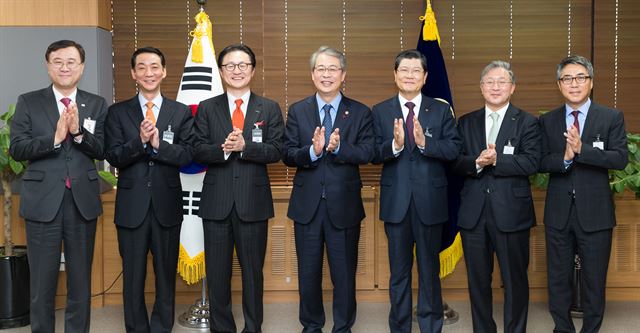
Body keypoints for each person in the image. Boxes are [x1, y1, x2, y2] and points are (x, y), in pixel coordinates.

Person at [9, 39, 108, 333]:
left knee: (80, 282)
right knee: (42, 283)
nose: (65, 67)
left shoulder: (96, 103)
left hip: (82, 202)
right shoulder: (29, 101)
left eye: (71, 62)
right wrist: (54, 138)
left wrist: (77, 133)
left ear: (82, 67)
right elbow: (17, 148)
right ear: (48, 65)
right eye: (58, 62)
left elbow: (101, 149)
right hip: (43, 203)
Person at [193, 43, 284, 333]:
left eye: (243, 65)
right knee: (218, 276)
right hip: (216, 203)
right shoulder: (207, 108)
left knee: (252, 274)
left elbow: (278, 150)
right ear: (221, 71)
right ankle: (223, 328)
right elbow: (196, 149)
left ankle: (253, 328)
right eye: (230, 65)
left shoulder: (268, 107)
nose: (237, 70)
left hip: (253, 203)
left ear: (253, 70)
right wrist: (223, 150)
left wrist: (246, 148)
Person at [283, 46, 374, 333]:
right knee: (308, 274)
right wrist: (312, 151)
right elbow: (287, 153)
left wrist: (339, 148)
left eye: (332, 69)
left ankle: (343, 327)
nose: (326, 74)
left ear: (343, 74)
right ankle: (311, 326)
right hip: (307, 206)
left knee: (344, 275)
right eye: (321, 69)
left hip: (343, 206)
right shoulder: (298, 110)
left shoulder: (359, 112)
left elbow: (369, 152)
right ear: (312, 75)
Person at [104, 47, 195, 332]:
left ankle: (161, 327)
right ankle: (136, 328)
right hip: (131, 206)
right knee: (133, 276)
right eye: (141, 67)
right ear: (133, 73)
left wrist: (158, 145)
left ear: (164, 71)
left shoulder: (179, 112)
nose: (148, 73)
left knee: (165, 275)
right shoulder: (117, 112)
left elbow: (188, 155)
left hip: (167, 205)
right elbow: (114, 156)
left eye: (154, 66)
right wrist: (140, 142)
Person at [371, 49, 460, 333]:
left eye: (415, 71)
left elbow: (454, 149)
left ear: (425, 77)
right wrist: (395, 146)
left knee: (429, 272)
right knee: (398, 273)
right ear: (395, 75)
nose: (409, 75)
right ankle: (399, 327)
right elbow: (372, 152)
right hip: (396, 201)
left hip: (430, 202)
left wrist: (425, 143)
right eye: (404, 70)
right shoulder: (380, 110)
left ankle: (431, 326)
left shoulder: (441, 109)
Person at [540, 55, 627, 333]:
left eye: (580, 77)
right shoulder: (548, 121)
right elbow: (540, 161)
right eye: (567, 78)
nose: (574, 84)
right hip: (558, 213)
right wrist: (564, 158)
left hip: (596, 214)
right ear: (559, 84)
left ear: (590, 82)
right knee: (557, 279)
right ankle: (562, 329)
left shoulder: (611, 117)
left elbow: (619, 158)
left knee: (593, 280)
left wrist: (583, 150)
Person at [452, 61, 540, 333]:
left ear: (512, 88)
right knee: (477, 281)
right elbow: (454, 162)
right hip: (474, 216)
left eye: (502, 82)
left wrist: (497, 160)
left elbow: (531, 163)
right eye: (489, 81)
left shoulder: (527, 122)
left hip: (511, 214)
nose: (495, 87)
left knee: (515, 281)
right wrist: (477, 162)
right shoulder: (466, 122)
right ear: (481, 87)